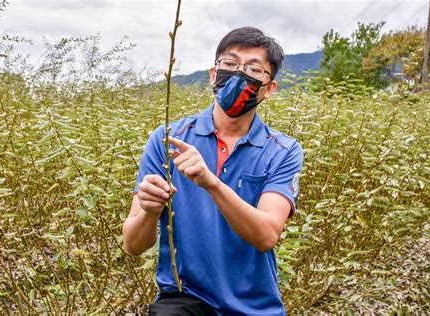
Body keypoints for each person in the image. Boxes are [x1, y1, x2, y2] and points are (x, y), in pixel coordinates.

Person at [123, 26, 303, 315]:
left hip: (255, 306)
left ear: (269, 89)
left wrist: (212, 183)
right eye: (229, 65)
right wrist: (148, 210)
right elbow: (133, 244)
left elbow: (266, 235)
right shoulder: (169, 138)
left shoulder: (282, 150)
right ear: (212, 74)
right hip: (185, 299)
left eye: (254, 70)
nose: (238, 75)